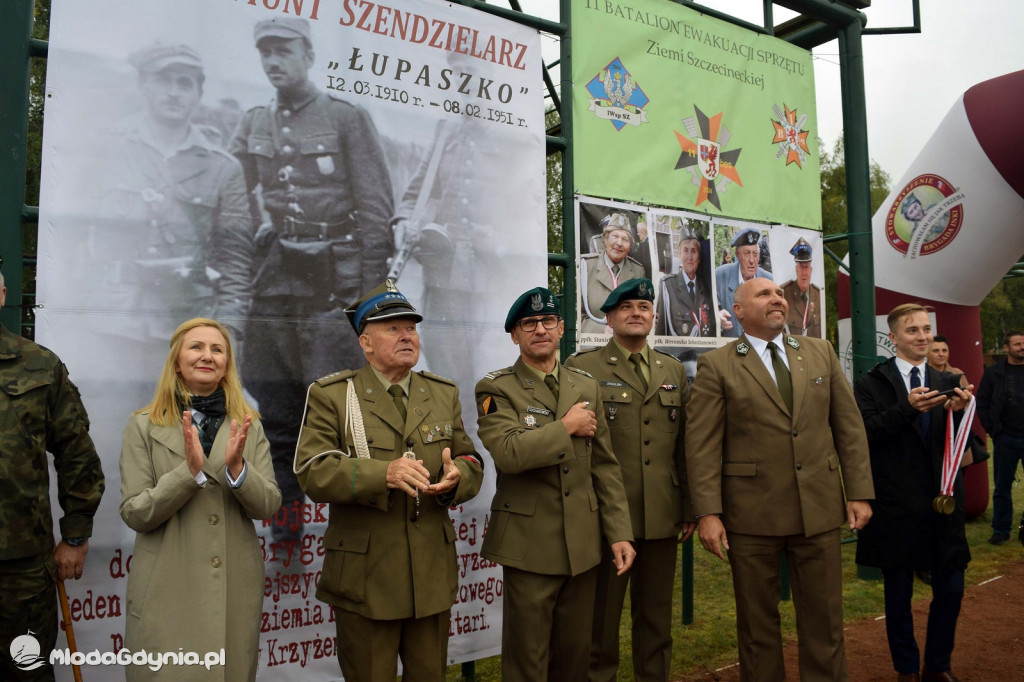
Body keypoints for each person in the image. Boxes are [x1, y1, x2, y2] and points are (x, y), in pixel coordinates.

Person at [229, 17, 395, 547]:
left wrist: (367, 304)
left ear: (308, 54)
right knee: (277, 412)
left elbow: (376, 212)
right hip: (277, 281)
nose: (274, 61)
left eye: (284, 51)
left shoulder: (345, 118)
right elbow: (233, 200)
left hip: (335, 284)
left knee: (344, 414)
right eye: (266, 53)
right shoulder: (254, 123)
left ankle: (358, 538)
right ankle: (286, 533)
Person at [293, 280, 483, 681]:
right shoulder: (333, 395)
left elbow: (469, 458)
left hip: (430, 574)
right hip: (367, 578)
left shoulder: (441, 392)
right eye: (393, 328)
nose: (406, 336)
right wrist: (385, 473)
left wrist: (457, 477)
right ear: (365, 343)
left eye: (411, 328)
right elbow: (313, 469)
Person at [686, 277, 874, 681]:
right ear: (738, 311)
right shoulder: (717, 364)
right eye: (764, 294)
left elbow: (849, 427)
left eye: (778, 294)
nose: (777, 299)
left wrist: (858, 491)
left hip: (819, 511)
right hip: (752, 516)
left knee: (825, 622)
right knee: (758, 630)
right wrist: (708, 513)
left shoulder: (820, 352)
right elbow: (701, 446)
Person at [76, 43, 252, 412]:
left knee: (186, 435)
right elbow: (73, 237)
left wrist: (228, 330)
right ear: (144, 85)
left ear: (198, 93)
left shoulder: (223, 167)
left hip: (189, 327)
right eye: (164, 80)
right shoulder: (105, 150)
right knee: (110, 429)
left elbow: (235, 257)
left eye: (185, 83)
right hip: (114, 321)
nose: (174, 92)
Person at [475, 287, 635, 682]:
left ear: (561, 328)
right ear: (515, 335)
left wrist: (619, 532)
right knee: (528, 664)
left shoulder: (585, 385)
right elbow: (509, 453)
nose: (540, 330)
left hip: (582, 544)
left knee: (574, 660)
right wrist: (565, 428)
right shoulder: (496, 388)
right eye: (529, 324)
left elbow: (604, 466)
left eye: (548, 321)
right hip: (530, 547)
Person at [119, 318, 281, 681]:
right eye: (196, 347)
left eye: (217, 349)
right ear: (177, 361)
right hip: (166, 588)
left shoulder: (249, 424)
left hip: (233, 588)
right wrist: (187, 474)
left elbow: (268, 505)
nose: (207, 356)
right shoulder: (142, 426)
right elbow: (135, 513)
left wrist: (238, 470)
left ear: (226, 365)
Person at [565, 278, 695, 682]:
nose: (636, 313)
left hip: (660, 514)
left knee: (656, 622)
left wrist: (688, 507)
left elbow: (684, 445)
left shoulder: (672, 369)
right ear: (609, 318)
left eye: (643, 306)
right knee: (600, 623)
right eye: (626, 307)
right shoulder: (582, 367)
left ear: (653, 316)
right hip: (605, 517)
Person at [854, 304, 974, 682]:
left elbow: (961, 441)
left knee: (951, 588)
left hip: (943, 503)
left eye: (926, 329)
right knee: (899, 594)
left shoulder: (949, 380)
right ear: (893, 338)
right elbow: (865, 434)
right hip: (896, 504)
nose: (922, 337)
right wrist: (906, 409)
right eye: (912, 331)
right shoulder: (872, 382)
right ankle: (906, 668)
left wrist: (960, 412)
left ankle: (937, 665)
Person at [0, 269, 105, 682]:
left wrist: (76, 535)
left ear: (2, 294)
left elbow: (76, 452)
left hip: (20, 569)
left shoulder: (39, 366)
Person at [977, 330, 1024, 545]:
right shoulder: (994, 373)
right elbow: (982, 402)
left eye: (1023, 343)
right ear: (1006, 348)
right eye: (1017, 344)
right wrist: (994, 430)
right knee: (1002, 487)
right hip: (1005, 439)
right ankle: (1001, 530)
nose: (1022, 347)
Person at [580, 214, 644, 333]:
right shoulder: (586, 266)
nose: (619, 243)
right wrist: (603, 330)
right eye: (615, 236)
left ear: (629, 246)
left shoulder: (638, 271)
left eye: (625, 239)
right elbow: (576, 314)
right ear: (605, 239)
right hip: (594, 341)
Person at [656, 226, 715, 337]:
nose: (689, 257)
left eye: (693, 251)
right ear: (679, 254)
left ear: (699, 257)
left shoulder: (706, 288)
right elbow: (661, 331)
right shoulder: (667, 286)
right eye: (685, 250)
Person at [715, 228, 772, 337]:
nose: (752, 260)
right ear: (737, 255)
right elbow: (707, 309)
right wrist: (717, 315)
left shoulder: (769, 281)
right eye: (747, 253)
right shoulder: (720, 276)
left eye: (755, 254)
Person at [781, 237, 822, 338]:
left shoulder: (819, 295)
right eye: (801, 267)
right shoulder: (784, 293)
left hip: (813, 347)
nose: (804, 273)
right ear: (796, 270)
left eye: (806, 267)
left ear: (811, 270)